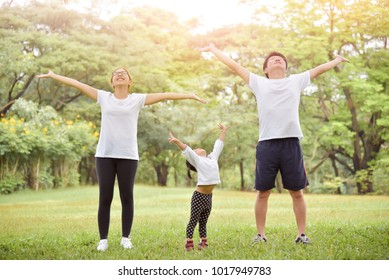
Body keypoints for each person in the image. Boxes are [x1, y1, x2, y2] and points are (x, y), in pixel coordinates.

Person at [36, 68, 207, 251]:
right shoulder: (104, 97)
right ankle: (103, 240)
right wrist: (54, 75)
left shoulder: (136, 100)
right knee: (105, 197)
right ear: (111, 82)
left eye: (123, 73)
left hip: (128, 156)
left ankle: (126, 238)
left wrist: (189, 95)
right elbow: (78, 84)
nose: (119, 74)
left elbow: (165, 95)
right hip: (104, 155)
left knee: (127, 197)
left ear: (129, 81)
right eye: (115, 73)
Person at [199, 43, 349, 244]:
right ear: (266, 69)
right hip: (267, 144)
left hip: (291, 143)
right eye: (272, 59)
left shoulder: (295, 81)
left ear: (286, 68)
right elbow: (234, 66)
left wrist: (337, 61)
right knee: (263, 192)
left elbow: (319, 70)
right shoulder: (259, 82)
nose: (277, 60)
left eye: (281, 59)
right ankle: (260, 235)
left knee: (297, 192)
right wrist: (214, 50)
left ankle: (301, 234)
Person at [168, 123, 229, 251]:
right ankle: (189, 242)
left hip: (208, 197)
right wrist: (177, 141)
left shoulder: (212, 159)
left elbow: (218, 145)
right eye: (196, 150)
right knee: (193, 221)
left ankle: (203, 242)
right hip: (198, 197)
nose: (199, 148)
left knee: (203, 222)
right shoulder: (198, 161)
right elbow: (187, 150)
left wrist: (223, 131)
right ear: (194, 158)